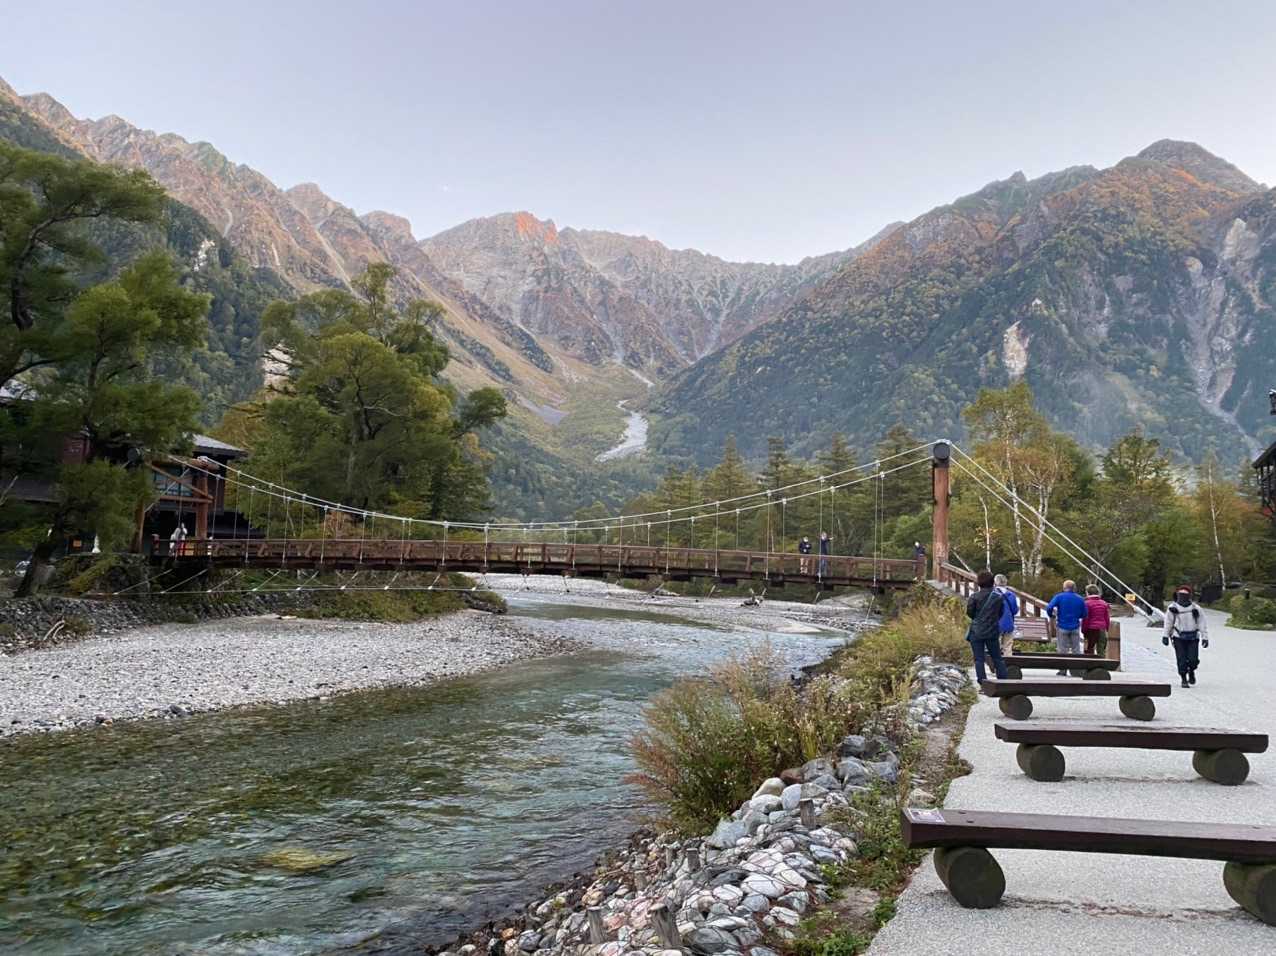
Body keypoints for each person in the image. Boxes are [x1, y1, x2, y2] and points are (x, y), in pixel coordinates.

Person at [966, 570, 1008, 682]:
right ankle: (1003, 681)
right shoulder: (998, 597)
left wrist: (979, 619)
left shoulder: (974, 597)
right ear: (992, 582)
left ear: (979, 582)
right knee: (997, 657)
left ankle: (983, 682)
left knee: (979, 659)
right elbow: (1000, 613)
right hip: (992, 630)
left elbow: (970, 613)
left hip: (977, 631)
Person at [1163, 586, 1209, 688]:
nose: (1182, 598)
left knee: (1193, 659)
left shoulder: (1196, 608)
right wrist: (1165, 635)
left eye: (1184, 595)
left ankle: (1191, 670)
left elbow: (1202, 623)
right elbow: (1168, 622)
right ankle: (1183, 678)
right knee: (1181, 659)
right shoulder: (1172, 608)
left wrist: (1205, 637)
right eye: (1180, 595)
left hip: (1193, 637)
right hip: (1178, 637)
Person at [1046, 580, 1087, 675]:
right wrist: (1078, 616)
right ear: (1074, 588)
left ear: (1064, 587)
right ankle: (1076, 671)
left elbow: (1049, 607)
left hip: (1062, 625)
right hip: (1075, 626)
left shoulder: (1059, 597)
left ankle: (1062, 670)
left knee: (1062, 649)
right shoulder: (1080, 598)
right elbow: (1085, 614)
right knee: (1076, 649)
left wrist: (1051, 615)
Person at [993, 573, 1019, 658]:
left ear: (995, 582)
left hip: (995, 624)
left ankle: (996, 664)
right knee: (1008, 647)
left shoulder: (992, 594)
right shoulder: (1011, 595)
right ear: (1005, 582)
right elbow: (1015, 610)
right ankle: (1008, 663)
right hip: (1008, 624)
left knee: (995, 647)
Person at [1082, 585, 1111, 657]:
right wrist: (1106, 629)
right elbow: (1107, 618)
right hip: (1102, 628)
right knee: (1101, 651)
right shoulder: (1104, 603)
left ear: (1087, 593)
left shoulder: (1086, 603)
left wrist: (1083, 630)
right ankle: (1101, 663)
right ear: (1098, 592)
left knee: (1089, 650)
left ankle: (1090, 663)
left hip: (1091, 629)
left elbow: (1086, 619)